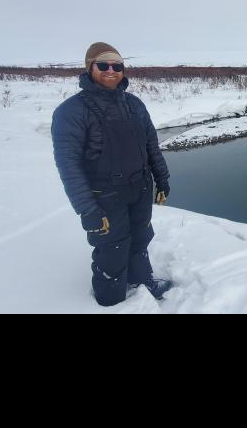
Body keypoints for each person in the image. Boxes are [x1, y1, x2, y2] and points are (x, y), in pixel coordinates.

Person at [51, 42, 172, 306]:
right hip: (104, 194)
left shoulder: (134, 104)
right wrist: (88, 209)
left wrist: (162, 179)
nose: (111, 71)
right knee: (112, 247)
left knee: (140, 237)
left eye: (117, 66)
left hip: (139, 187)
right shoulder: (71, 112)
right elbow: (68, 166)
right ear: (89, 67)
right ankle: (111, 301)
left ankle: (142, 282)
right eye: (103, 65)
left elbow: (151, 145)